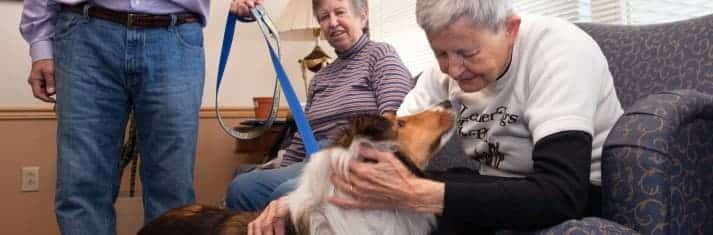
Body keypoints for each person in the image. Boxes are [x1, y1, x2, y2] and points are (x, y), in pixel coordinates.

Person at [247, 0, 625, 234]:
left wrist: (419, 194)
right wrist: (305, 200)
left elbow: (562, 195)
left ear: (509, 28)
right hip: (495, 183)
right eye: (441, 54)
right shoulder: (448, 67)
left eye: (466, 53)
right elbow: (387, 144)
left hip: (574, 191)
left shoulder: (559, 53)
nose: (454, 70)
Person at [20, 0, 260, 234]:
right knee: (81, 187)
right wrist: (40, 43)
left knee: (172, 191)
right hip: (85, 32)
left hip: (176, 36)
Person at [225, 0, 414, 212]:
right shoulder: (320, 78)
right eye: (324, 17)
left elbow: (395, 121)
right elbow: (303, 135)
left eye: (340, 12)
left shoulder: (380, 55)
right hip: (313, 161)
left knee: (286, 194)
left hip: (354, 161)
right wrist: (283, 167)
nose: (332, 22)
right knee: (241, 188)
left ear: (363, 16)